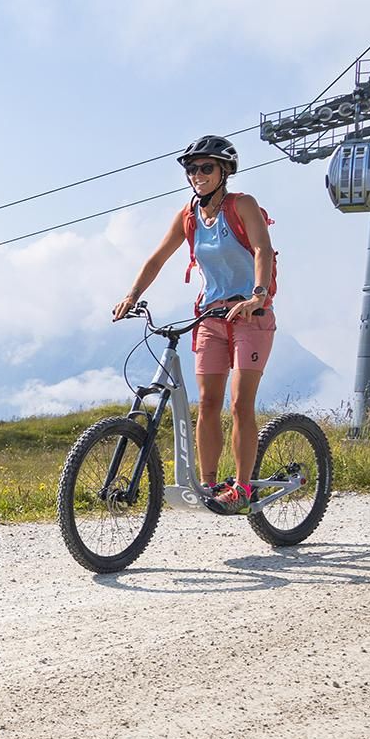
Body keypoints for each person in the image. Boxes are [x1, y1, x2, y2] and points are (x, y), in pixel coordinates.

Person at [112, 135, 276, 513]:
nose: (197, 175)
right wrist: (131, 296)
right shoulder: (188, 216)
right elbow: (157, 259)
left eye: (206, 168)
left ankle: (243, 488)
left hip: (250, 315)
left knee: (240, 403)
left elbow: (263, 249)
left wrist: (258, 296)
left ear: (225, 171)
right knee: (208, 403)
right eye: (191, 169)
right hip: (210, 317)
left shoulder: (243, 205)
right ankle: (209, 485)